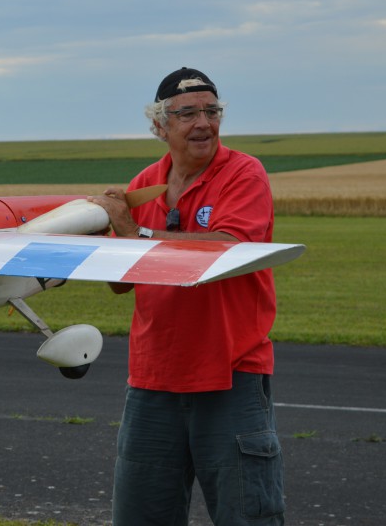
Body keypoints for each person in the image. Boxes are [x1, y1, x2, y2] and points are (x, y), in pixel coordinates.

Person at [87, 68, 285, 525]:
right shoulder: (145, 184)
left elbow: (228, 250)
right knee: (141, 516)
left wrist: (135, 232)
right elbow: (121, 282)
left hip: (230, 374)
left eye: (212, 111)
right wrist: (106, 235)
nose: (203, 123)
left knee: (247, 515)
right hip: (153, 379)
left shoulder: (243, 173)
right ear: (159, 126)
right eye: (187, 113)